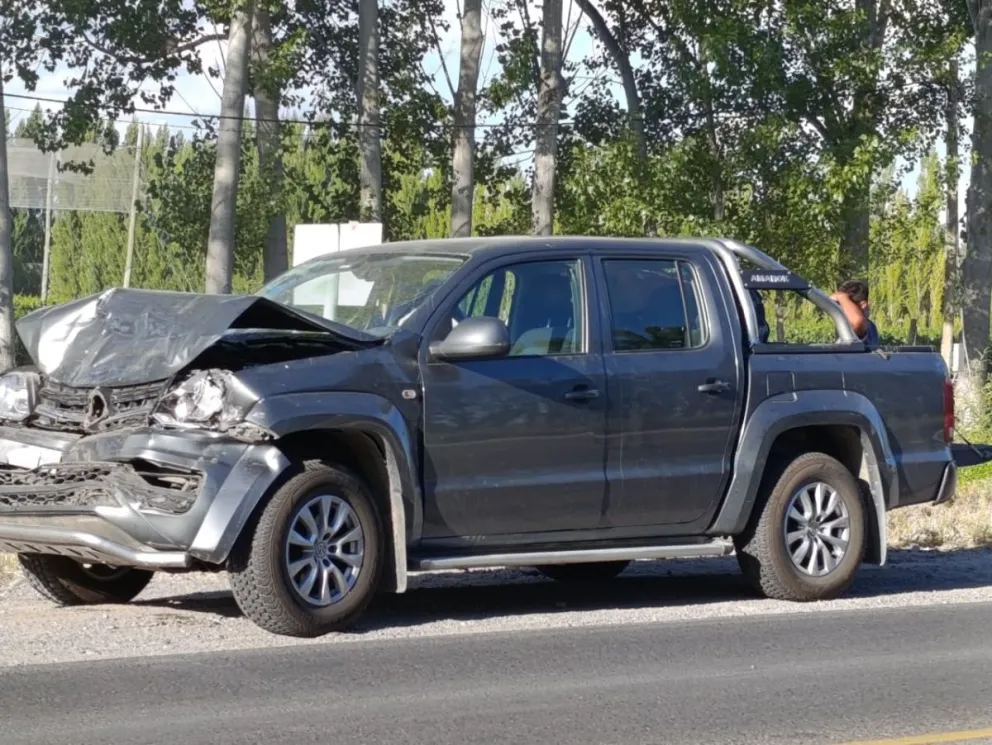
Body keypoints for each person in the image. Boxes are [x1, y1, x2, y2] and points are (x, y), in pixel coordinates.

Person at [831, 279, 879, 348]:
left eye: (846, 305)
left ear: (863, 305)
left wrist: (842, 297)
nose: (840, 310)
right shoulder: (844, 324)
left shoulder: (867, 326)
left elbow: (859, 322)